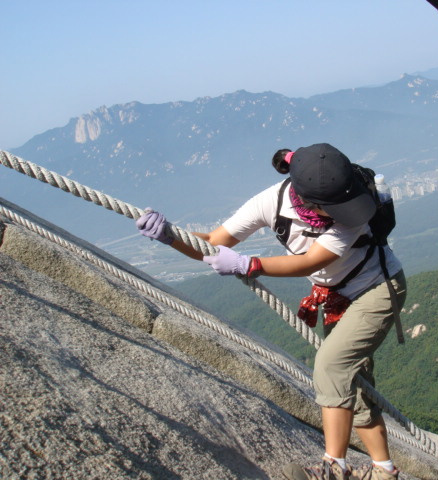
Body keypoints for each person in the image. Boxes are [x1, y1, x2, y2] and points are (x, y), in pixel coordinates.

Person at [136, 143, 406, 480]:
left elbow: (311, 261)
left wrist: (250, 264)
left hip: (377, 291)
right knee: (351, 383)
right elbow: (212, 241)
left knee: (333, 367)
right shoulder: (271, 202)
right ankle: (384, 471)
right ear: (307, 201)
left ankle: (333, 469)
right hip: (338, 296)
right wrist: (169, 235)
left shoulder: (352, 213)